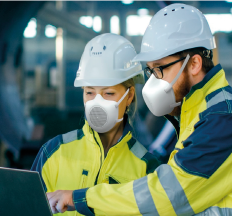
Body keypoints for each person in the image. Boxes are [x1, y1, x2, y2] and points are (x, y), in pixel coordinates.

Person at [47, 3, 232, 216]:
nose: (154, 80)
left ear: (194, 64)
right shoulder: (199, 112)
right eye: (150, 70)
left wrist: (81, 198)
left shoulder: (221, 117)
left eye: (160, 69)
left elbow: (170, 196)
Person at [31, 33, 161, 216]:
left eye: (108, 93)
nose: (96, 103)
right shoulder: (53, 152)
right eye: (90, 92)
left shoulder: (147, 168)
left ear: (129, 96)